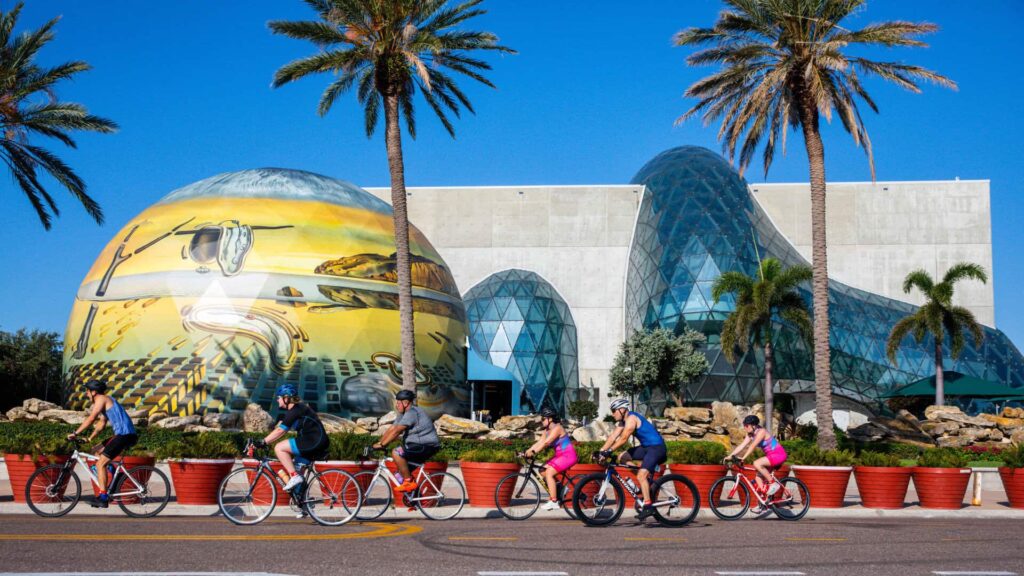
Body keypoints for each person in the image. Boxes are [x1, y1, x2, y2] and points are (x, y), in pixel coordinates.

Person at [66, 379, 138, 508]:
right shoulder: (106, 401)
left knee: (100, 464)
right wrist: (90, 438)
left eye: (87, 391)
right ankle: (116, 475)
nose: (86, 393)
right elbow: (101, 423)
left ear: (94, 392)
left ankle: (103, 498)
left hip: (124, 435)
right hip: (123, 435)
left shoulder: (102, 399)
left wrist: (75, 433)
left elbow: (91, 418)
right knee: (95, 451)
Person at [597, 398, 666, 520]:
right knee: (622, 457)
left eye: (614, 411)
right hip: (646, 447)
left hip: (656, 448)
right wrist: (601, 451)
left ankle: (648, 506)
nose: (612, 414)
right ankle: (643, 479)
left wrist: (609, 451)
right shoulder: (623, 422)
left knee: (641, 475)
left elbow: (623, 439)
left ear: (622, 409)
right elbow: (613, 437)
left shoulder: (631, 419)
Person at [258, 384, 329, 492]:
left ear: (286, 398)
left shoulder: (296, 410)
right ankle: (302, 500)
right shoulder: (298, 408)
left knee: (279, 447)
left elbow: (280, 431)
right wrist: (265, 442)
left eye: (279, 397)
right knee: (297, 485)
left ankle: (294, 476)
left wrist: (263, 442)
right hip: (314, 441)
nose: (277, 400)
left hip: (313, 441)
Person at [373, 389, 441, 493]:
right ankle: (414, 497)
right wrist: (379, 443)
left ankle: (409, 482)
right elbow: (392, 429)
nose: (396, 405)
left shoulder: (412, 413)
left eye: (398, 403)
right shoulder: (403, 414)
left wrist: (383, 444)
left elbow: (397, 431)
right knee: (399, 474)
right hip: (417, 445)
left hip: (426, 445)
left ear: (406, 403)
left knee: (396, 452)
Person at [726, 414, 787, 512]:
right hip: (771, 456)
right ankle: (763, 504)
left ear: (753, 425)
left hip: (778, 455)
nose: (745, 427)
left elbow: (752, 446)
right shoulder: (750, 435)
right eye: (744, 425)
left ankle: (773, 483)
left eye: (746, 425)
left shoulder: (761, 432)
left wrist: (743, 458)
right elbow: (742, 446)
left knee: (757, 463)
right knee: (758, 478)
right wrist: (730, 456)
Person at [524, 407, 578, 511]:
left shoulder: (558, 428)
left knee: (549, 473)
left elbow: (546, 443)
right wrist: (527, 451)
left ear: (550, 419)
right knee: (542, 470)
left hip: (568, 456)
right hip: (559, 456)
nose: (541, 421)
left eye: (543, 419)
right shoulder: (546, 431)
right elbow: (539, 442)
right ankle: (561, 489)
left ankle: (554, 501)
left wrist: (533, 452)